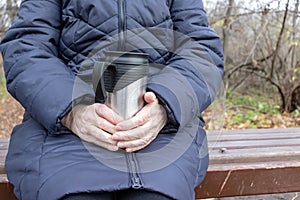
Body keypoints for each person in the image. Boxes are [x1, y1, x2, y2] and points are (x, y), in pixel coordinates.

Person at [0, 0, 224, 199]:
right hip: (62, 132)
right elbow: (25, 47)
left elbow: (201, 51)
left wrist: (164, 108)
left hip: (162, 133)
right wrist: (72, 112)